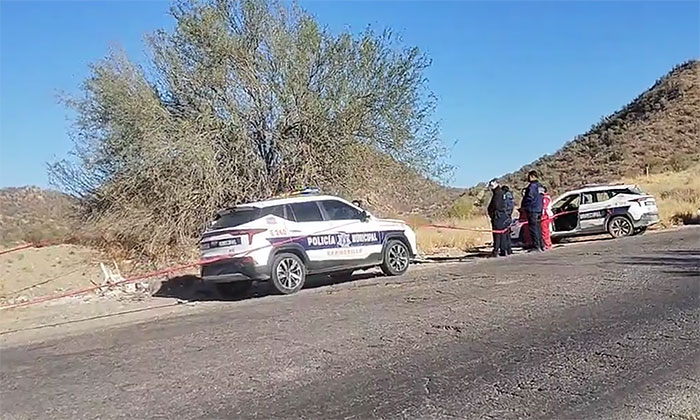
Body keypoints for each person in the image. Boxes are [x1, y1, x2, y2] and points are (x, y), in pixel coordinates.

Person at [521, 170, 545, 251]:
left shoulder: (531, 187)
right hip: (539, 209)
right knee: (538, 228)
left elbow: (529, 197)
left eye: (529, 176)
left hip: (532, 209)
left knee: (533, 228)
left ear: (532, 176)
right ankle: (541, 245)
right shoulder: (540, 186)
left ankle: (536, 246)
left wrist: (524, 204)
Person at [487, 179, 510, 257]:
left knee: (497, 234)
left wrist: (492, 212)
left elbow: (496, 205)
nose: (491, 187)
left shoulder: (498, 193)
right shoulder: (500, 193)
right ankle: (503, 250)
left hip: (498, 216)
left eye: (492, 185)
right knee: (502, 233)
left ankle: (496, 251)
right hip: (501, 216)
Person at [501, 185, 515, 256]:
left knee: (503, 234)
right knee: (508, 234)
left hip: (504, 216)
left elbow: (503, 207)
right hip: (509, 216)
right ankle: (509, 249)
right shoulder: (511, 197)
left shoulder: (504, 197)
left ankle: (504, 250)